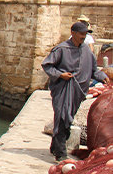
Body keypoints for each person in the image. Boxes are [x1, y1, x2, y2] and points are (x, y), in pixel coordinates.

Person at [42, 21, 110, 161]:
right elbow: (47, 65)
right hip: (63, 89)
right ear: (73, 33)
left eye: (85, 34)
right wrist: (61, 75)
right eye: (81, 34)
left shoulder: (86, 51)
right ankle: (61, 153)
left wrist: (103, 77)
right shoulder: (61, 49)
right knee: (62, 117)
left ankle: (55, 146)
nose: (83, 37)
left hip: (78, 92)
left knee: (68, 118)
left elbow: (93, 71)